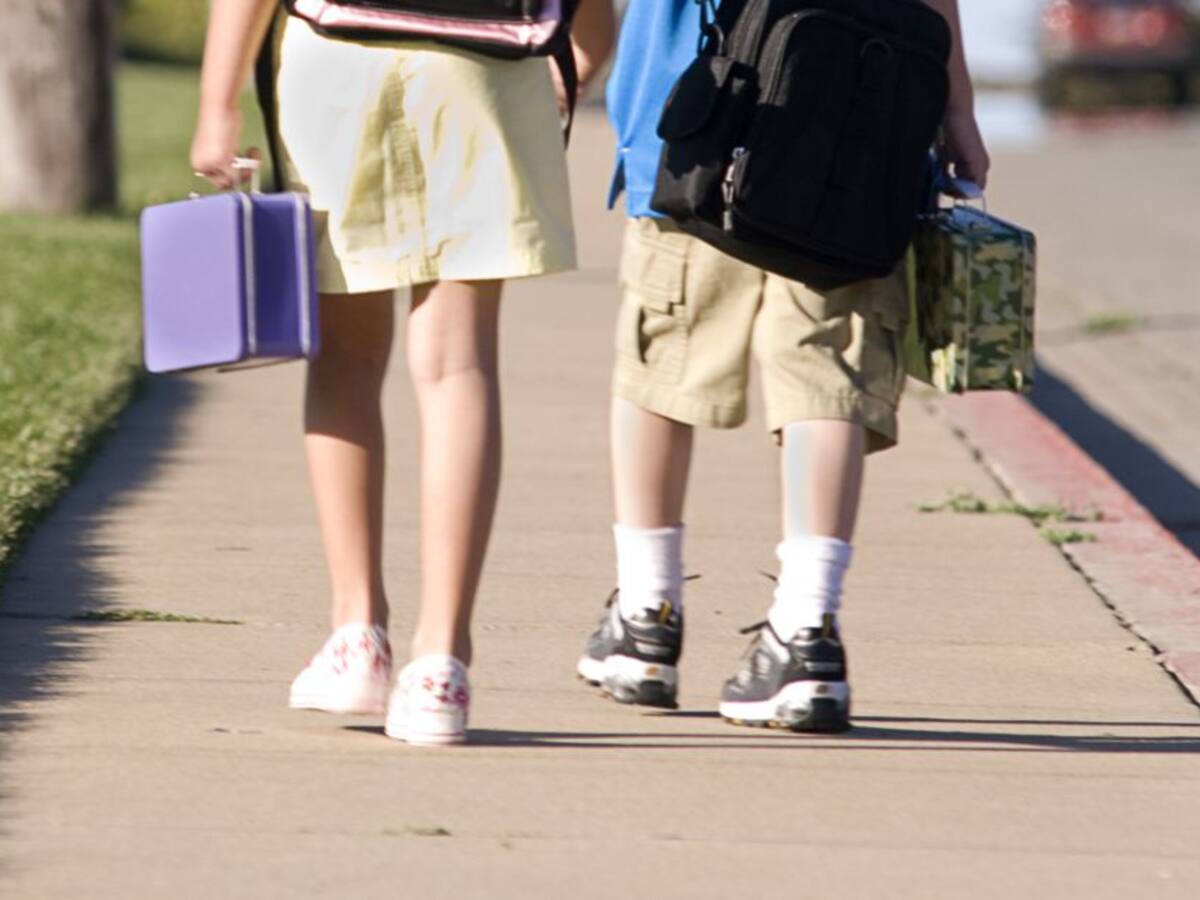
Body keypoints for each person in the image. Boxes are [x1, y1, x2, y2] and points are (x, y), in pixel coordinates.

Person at [190, 0, 612, 745]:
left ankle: (357, 635)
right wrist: (576, 62)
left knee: (346, 363)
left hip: (338, 67)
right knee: (458, 367)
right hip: (487, 72)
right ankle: (441, 661)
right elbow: (593, 24)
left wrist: (217, 105)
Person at [576, 0, 990, 731]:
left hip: (697, 113)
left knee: (662, 362)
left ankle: (646, 617)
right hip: (858, 113)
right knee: (826, 377)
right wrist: (957, 108)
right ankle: (806, 632)